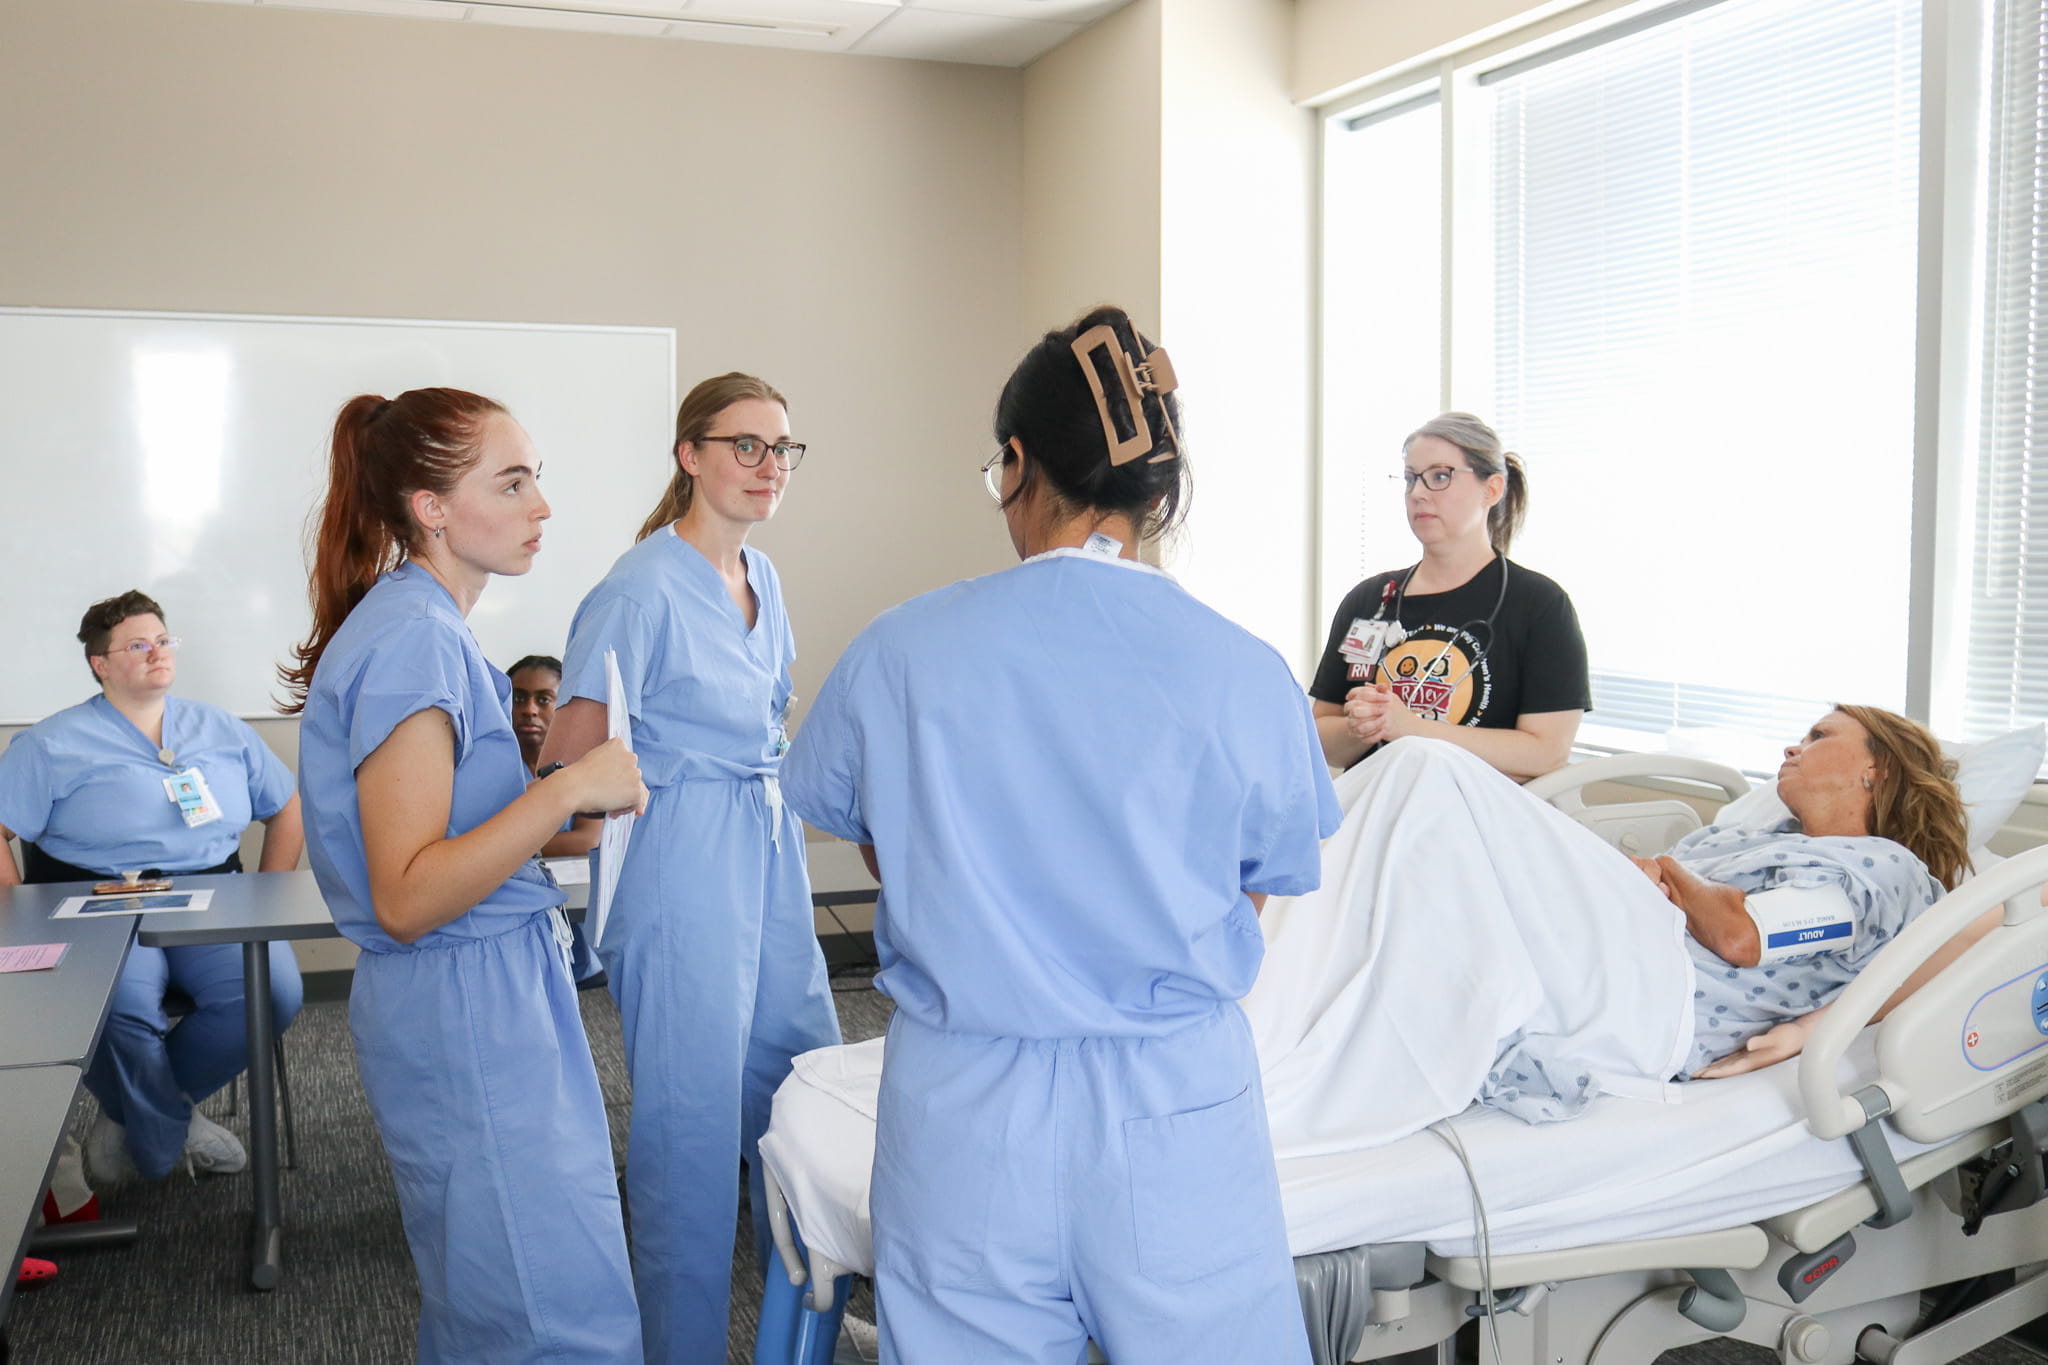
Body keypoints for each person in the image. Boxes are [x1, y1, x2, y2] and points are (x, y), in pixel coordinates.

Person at [783, 307, 1340, 1365]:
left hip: (966, 1100)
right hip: (1172, 1098)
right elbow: (1257, 880)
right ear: (1158, 490)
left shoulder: (901, 651)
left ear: (1016, 465)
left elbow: (876, 843)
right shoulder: (1242, 668)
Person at [284, 388, 645, 1363]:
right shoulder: (412, 639)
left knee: (504, 1291)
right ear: (430, 507)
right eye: (513, 481)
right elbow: (405, 893)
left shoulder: (427, 629)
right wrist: (562, 786)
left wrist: (561, 814)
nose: (541, 506)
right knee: (546, 1311)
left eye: (538, 480)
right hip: (465, 994)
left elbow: (460, 838)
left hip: (484, 984)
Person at [1244, 705, 1973, 1158]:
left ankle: (1254, 1005)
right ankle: (1256, 988)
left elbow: (1742, 938)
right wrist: (1660, 877)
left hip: (1660, 996)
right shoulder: (1762, 832)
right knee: (1410, 809)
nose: (1793, 746)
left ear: (1877, 768)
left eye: (1818, 736)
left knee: (1426, 766)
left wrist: (1673, 877)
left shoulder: (1882, 866)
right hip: (1629, 954)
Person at [540, 372, 841, 1363]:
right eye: (744, 446)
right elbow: (565, 765)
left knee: (802, 1084)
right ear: (690, 455)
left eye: (782, 449)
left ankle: (802, 1316)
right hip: (678, 863)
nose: (767, 467)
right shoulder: (636, 589)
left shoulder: (766, 577)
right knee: (691, 1129)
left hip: (765, 852)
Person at [0, 590, 304, 1180]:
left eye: (163, 641)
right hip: (94, 907)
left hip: (213, 898)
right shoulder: (49, 743)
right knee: (122, 1016)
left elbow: (285, 805)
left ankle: (139, 1116)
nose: (156, 653)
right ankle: (170, 1129)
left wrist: (269, 896)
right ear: (101, 664)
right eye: (138, 645)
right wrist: (16, 916)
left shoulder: (220, 728)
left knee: (272, 994)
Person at [1309, 413, 1589, 778]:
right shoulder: (1369, 601)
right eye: (1411, 478)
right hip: (1378, 806)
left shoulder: (1539, 605)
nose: (1418, 493)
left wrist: (1413, 728)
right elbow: (1319, 737)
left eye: (1440, 476)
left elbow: (1547, 754)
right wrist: (1364, 724)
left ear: (1492, 489)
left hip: (1480, 819)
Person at [507, 652, 604, 984]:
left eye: (544, 699)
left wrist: (506, 846)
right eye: (519, 698)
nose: (529, 709)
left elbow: (587, 839)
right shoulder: (486, 767)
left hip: (574, 915)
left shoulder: (582, 762)